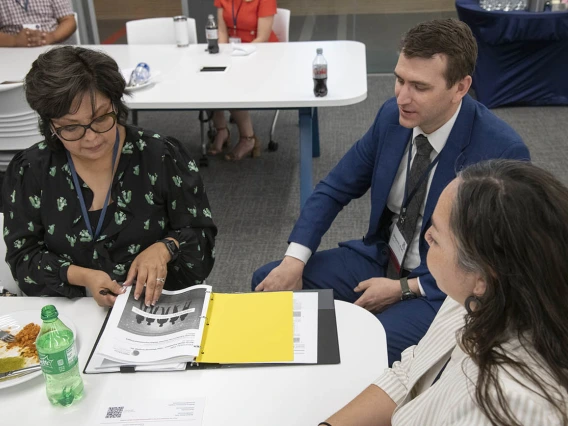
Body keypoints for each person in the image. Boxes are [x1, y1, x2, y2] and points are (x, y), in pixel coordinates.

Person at [252, 19, 531, 365]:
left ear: (460, 87)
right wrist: (295, 259)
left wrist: (403, 289)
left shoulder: (501, 151)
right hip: (382, 257)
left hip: (440, 287)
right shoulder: (391, 118)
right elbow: (334, 188)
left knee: (361, 349)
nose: (402, 97)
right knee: (269, 285)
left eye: (419, 86)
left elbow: (497, 262)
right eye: (399, 80)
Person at [318, 160, 568, 425]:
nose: (425, 237)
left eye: (435, 238)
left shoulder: (507, 404)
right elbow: (408, 376)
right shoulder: (476, 295)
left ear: (482, 277)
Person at [1, 46, 217, 308]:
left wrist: (166, 247)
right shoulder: (31, 170)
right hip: (72, 315)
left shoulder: (160, 156)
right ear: (50, 125)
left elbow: (201, 237)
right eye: (71, 127)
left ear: (116, 104)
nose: (91, 137)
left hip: (154, 309)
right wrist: (83, 277)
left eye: (101, 118)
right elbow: (23, 259)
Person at [208, 0, 279, 161]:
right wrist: (222, 56)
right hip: (233, 55)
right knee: (209, 81)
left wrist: (239, 57)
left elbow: (263, 37)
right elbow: (222, 31)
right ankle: (221, 130)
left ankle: (248, 139)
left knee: (232, 86)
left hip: (262, 54)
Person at [0, 0, 77, 47]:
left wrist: (52, 37)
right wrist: (15, 41)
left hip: (51, 46)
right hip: (11, 50)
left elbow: (68, 20)